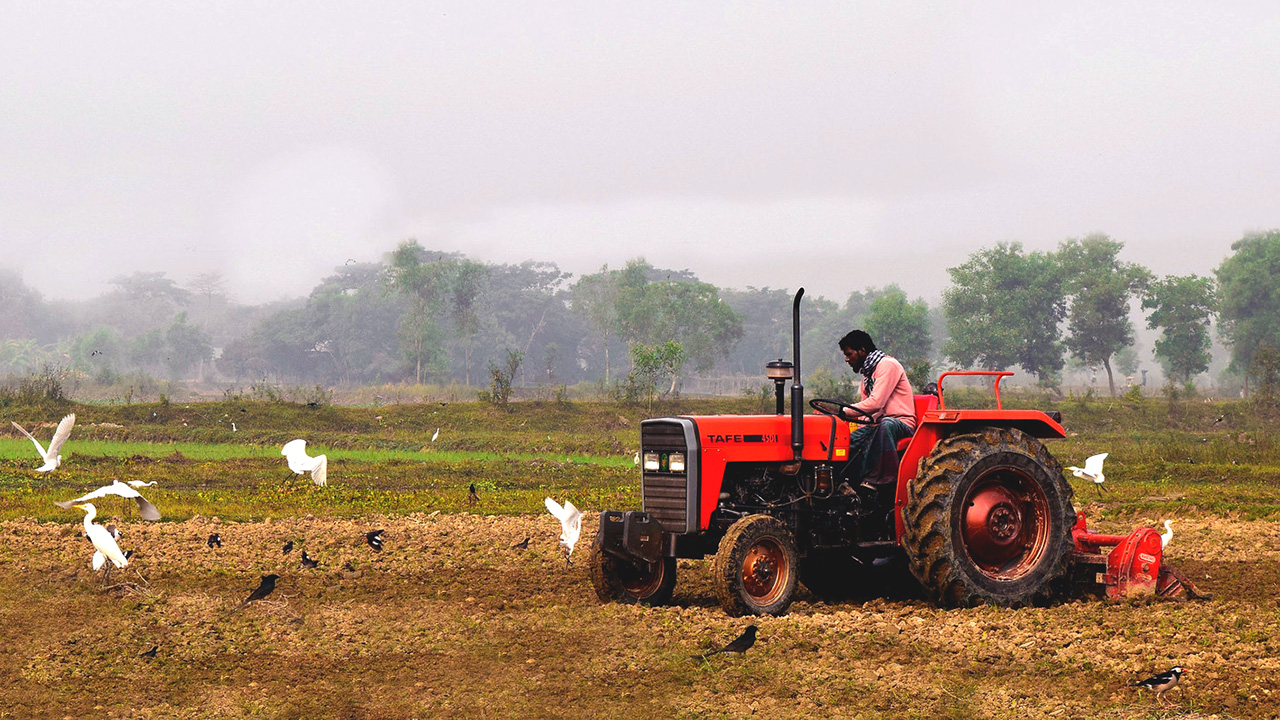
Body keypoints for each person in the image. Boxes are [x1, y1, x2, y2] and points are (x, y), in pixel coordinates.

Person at [837, 330, 917, 485]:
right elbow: (863, 412)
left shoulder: (887, 365)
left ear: (862, 350)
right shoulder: (867, 374)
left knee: (886, 424)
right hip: (877, 426)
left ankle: (883, 482)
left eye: (849, 354)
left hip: (901, 423)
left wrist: (843, 411)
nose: (847, 359)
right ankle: (843, 485)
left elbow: (875, 403)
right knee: (845, 443)